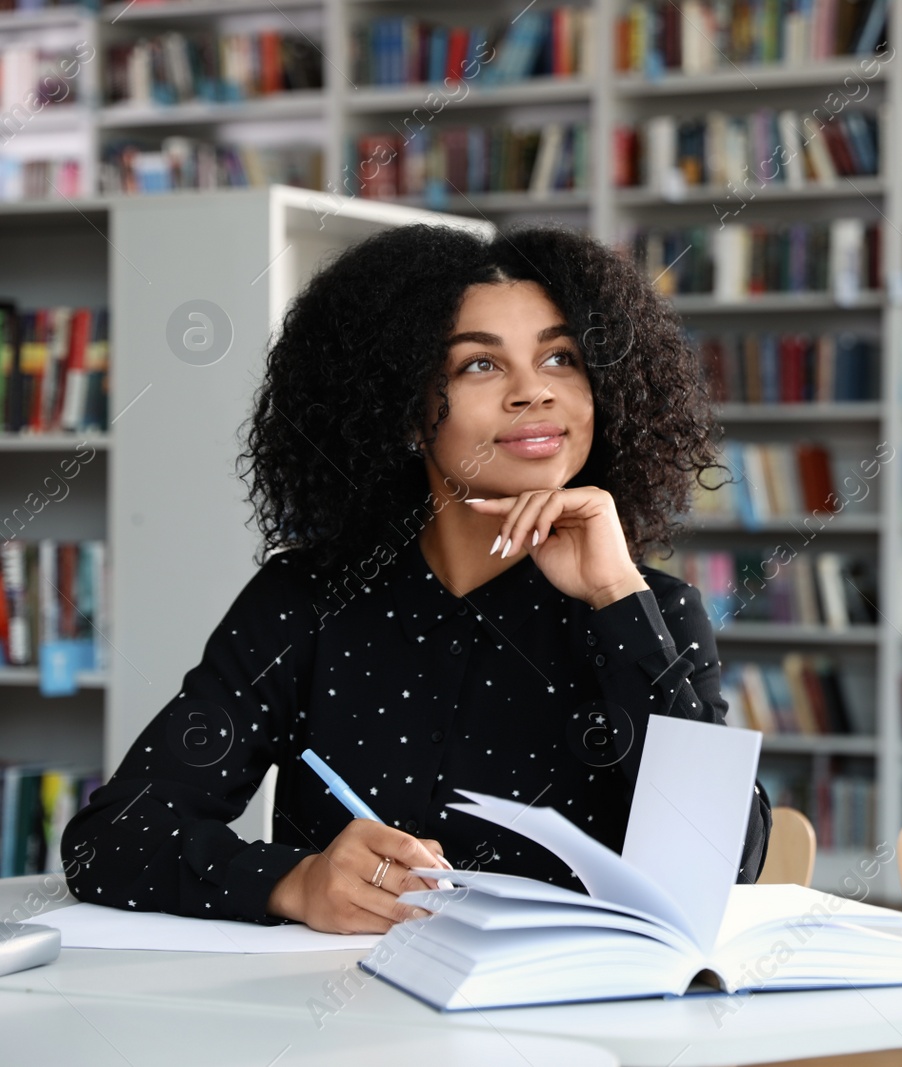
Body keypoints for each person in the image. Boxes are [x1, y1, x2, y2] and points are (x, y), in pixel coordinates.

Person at [60, 223, 770, 934]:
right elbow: (111, 837)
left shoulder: (654, 609)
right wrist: (294, 881)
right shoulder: (306, 601)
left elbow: (725, 862)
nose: (533, 393)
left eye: (561, 357)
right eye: (479, 366)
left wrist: (619, 600)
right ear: (404, 405)